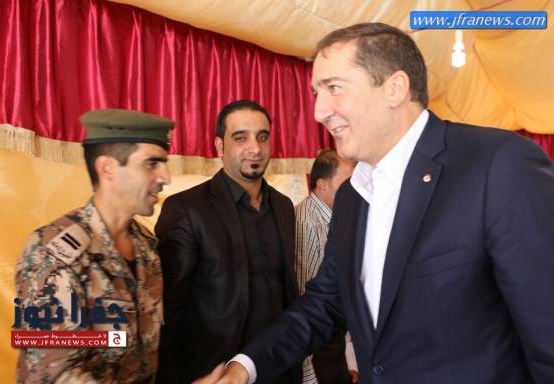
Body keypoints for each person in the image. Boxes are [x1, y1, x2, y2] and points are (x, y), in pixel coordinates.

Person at [200, 22, 554, 384]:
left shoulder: (497, 164)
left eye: (334, 88)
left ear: (394, 88)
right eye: (317, 93)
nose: (319, 112)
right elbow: (326, 303)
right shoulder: (352, 197)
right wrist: (243, 369)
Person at [14, 109, 174, 383]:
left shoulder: (145, 245)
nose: (166, 177)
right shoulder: (52, 253)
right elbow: (54, 375)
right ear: (107, 168)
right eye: (151, 164)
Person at [155, 99, 301, 384]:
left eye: (262, 137)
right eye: (240, 137)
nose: (255, 148)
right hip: (216, 374)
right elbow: (169, 311)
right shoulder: (187, 209)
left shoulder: (284, 206)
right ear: (220, 146)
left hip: (278, 369)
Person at [294, 149, 356, 384]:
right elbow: (305, 299)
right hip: (319, 342)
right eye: (347, 182)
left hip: (334, 335)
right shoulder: (306, 220)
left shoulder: (336, 217)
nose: (354, 188)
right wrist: (309, 372)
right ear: (322, 185)